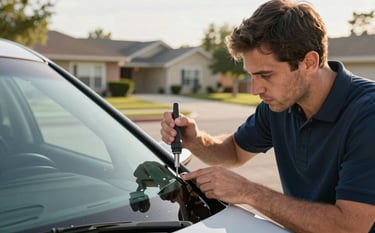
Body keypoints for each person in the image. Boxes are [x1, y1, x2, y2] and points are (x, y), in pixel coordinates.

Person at [160, 0, 375, 232]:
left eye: (266, 75)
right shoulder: (280, 106)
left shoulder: (367, 114)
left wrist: (248, 192)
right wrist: (196, 139)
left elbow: (351, 227)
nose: (255, 89)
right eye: (252, 75)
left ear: (309, 62)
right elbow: (233, 151)